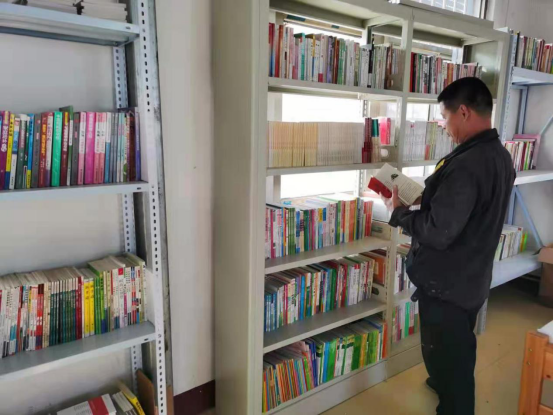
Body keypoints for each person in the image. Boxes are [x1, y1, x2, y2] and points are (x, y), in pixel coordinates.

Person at [382, 77, 515, 415]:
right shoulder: (498, 155)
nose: (444, 126)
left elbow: (438, 231)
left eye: (445, 117)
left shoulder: (468, 164)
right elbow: (467, 209)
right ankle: (443, 382)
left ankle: (454, 402)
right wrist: (427, 199)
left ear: (464, 112)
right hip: (472, 277)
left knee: (450, 357)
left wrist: (399, 213)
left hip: (448, 286)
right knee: (455, 348)